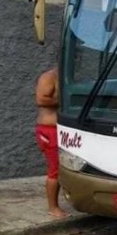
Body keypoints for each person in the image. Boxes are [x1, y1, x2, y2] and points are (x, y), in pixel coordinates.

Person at [35, 66, 66, 218]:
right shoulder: (49, 77)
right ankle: (53, 208)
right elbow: (41, 99)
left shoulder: (67, 77)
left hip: (61, 130)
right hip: (49, 130)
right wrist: (66, 98)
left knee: (63, 167)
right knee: (55, 169)